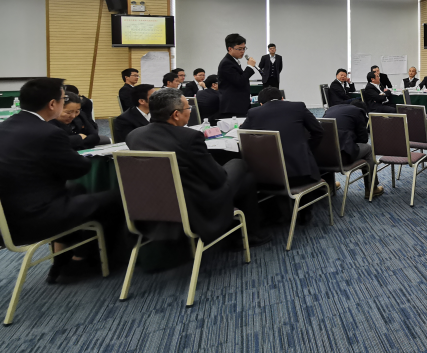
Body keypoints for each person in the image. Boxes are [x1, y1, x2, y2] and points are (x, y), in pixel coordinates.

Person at [0, 78, 122, 281]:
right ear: (52, 104)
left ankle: (62, 259)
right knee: (117, 198)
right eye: (63, 100)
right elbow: (78, 168)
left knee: (77, 190)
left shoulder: (4, 127)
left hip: (7, 213)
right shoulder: (48, 132)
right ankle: (84, 261)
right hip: (33, 217)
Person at [125, 88, 271, 245]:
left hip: (155, 203)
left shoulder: (134, 136)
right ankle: (248, 233)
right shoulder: (189, 137)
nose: (189, 111)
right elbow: (217, 178)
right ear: (176, 114)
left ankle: (242, 234)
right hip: (195, 205)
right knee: (240, 165)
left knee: (246, 179)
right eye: (188, 108)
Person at [241, 87, 326, 223]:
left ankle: (275, 214)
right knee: (310, 167)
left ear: (261, 103)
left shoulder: (253, 112)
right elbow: (318, 131)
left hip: (267, 177)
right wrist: (306, 149)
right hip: (300, 174)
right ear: (282, 98)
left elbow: (243, 135)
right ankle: (305, 213)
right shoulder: (298, 107)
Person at [323, 102, 384, 198]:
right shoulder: (358, 111)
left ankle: (329, 185)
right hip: (342, 157)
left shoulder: (330, 109)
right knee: (368, 149)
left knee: (329, 144)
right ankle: (371, 189)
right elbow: (363, 139)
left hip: (322, 157)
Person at [217, 33, 261, 118]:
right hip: (232, 106)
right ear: (230, 49)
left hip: (238, 105)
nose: (243, 51)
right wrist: (250, 67)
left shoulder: (233, 61)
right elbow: (240, 81)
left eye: (244, 48)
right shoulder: (226, 63)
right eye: (239, 49)